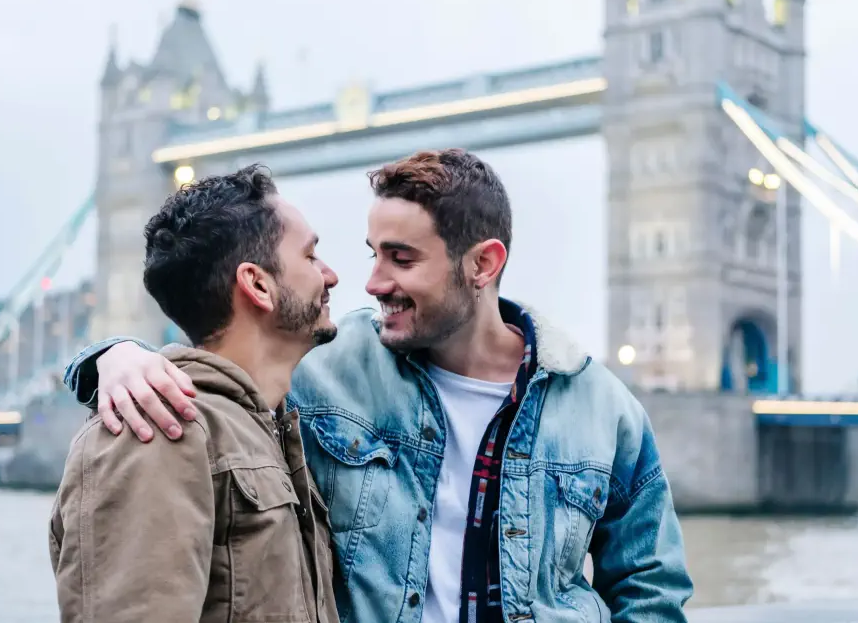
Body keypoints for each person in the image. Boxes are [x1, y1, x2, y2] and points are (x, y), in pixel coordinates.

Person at [64, 149, 694, 623]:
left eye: (402, 258)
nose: (369, 282)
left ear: (484, 264)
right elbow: (220, 356)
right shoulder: (325, 367)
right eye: (371, 253)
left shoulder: (603, 408)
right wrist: (113, 358)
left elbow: (651, 588)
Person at [50, 167, 340, 623]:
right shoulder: (155, 430)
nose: (332, 275)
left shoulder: (269, 427)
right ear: (258, 285)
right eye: (311, 257)